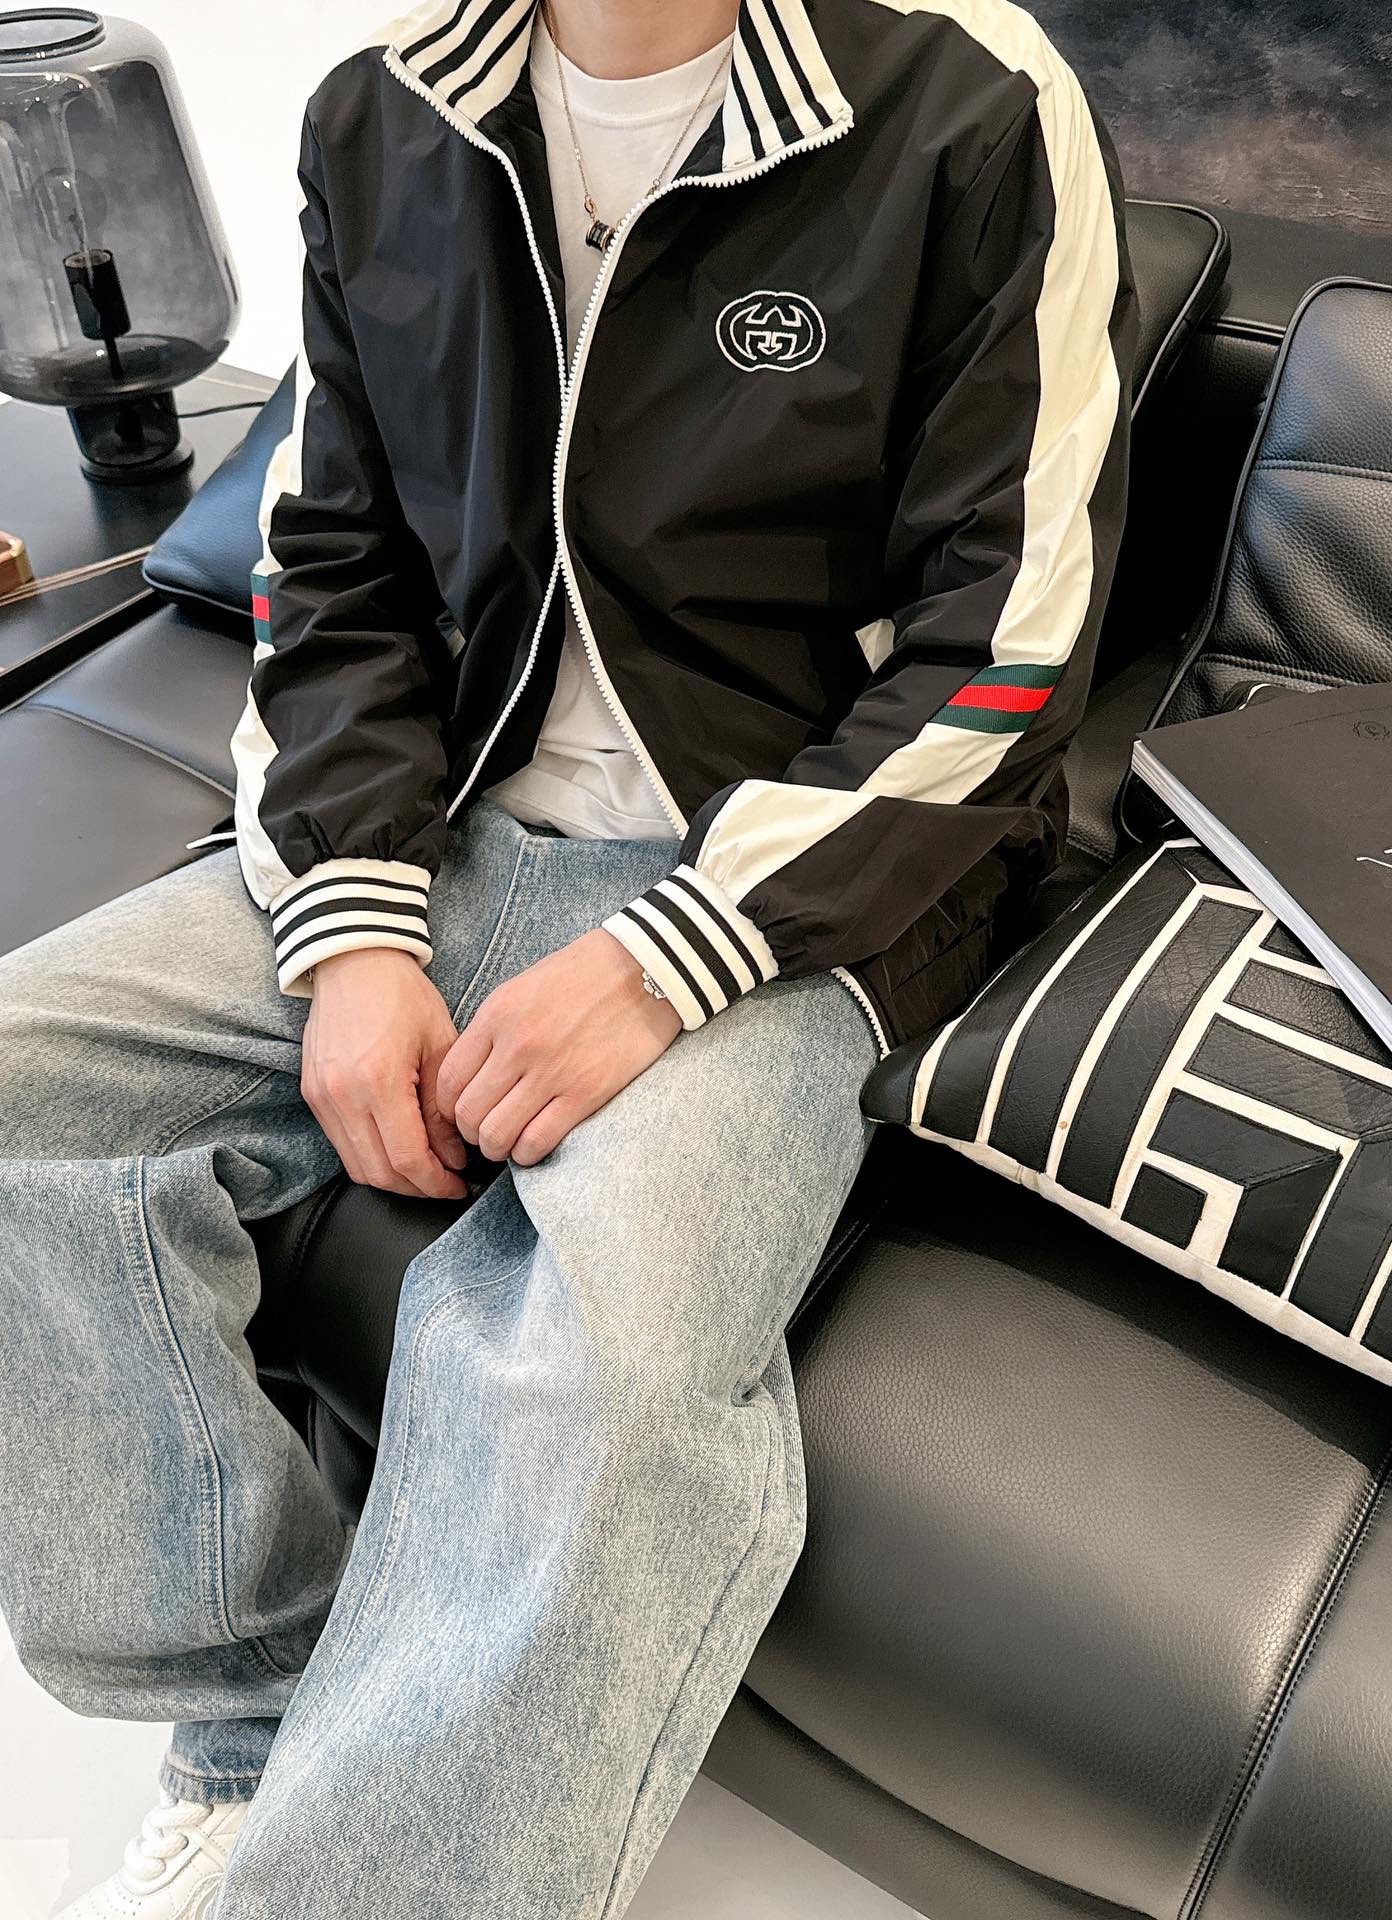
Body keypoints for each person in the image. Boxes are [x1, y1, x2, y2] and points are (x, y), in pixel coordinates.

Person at [0, 0, 1138, 1913]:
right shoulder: (384, 113)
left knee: (592, 1363)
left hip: (789, 878)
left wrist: (672, 954)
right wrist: (355, 924)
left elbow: (1010, 645)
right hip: (443, 822)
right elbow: (331, 566)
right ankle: (251, 1714)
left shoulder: (967, 97)